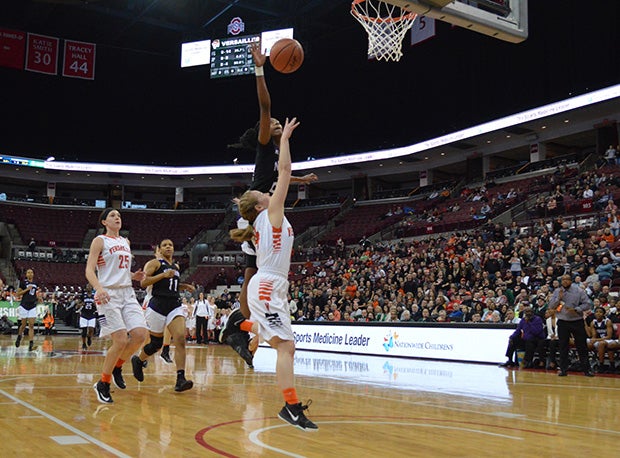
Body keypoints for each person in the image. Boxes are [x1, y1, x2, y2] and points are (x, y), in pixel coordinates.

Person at [222, 42, 317, 363]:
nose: (275, 123)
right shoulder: (266, 146)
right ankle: (238, 325)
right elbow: (265, 106)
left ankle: (243, 329)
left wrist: (303, 180)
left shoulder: (277, 156)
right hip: (253, 215)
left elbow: (283, 177)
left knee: (255, 272)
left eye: (277, 123)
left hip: (263, 216)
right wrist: (260, 68)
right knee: (256, 272)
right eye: (273, 123)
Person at [223, 116, 318, 431]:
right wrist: (286, 139)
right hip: (267, 286)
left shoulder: (261, 221)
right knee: (285, 347)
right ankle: (290, 407)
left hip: (271, 286)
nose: (269, 192)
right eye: (264, 193)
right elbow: (285, 172)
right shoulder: (270, 213)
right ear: (260, 202)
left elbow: (284, 177)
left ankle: (239, 323)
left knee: (284, 345)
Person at [86, 208, 149, 404]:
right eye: (112, 216)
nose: (117, 218)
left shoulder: (125, 242)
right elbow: (89, 270)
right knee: (120, 340)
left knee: (140, 335)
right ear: (104, 222)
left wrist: (133, 276)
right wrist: (98, 288)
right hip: (107, 294)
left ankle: (117, 366)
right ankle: (103, 383)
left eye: (119, 216)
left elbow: (119, 269)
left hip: (127, 292)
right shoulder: (100, 240)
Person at [131, 239, 195, 392]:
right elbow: (144, 283)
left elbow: (170, 285)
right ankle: (138, 360)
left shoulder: (176, 266)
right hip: (157, 305)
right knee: (156, 344)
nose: (168, 247)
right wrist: (163, 275)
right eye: (165, 245)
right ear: (159, 249)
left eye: (171, 245)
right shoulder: (154, 263)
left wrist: (184, 286)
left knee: (180, 338)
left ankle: (180, 379)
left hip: (174, 305)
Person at [548, 274, 594, 377]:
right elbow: (551, 306)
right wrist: (558, 299)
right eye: (563, 279)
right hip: (563, 321)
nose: (564, 281)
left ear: (571, 281)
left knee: (581, 346)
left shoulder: (579, 291)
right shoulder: (557, 291)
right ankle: (563, 369)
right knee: (563, 346)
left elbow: (587, 304)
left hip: (576, 321)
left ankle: (587, 370)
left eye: (567, 279)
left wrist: (577, 309)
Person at [15, 268, 38, 351]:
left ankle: (31, 344)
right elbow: (17, 294)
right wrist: (26, 290)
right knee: (23, 325)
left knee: (31, 325)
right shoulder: (23, 283)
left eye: (31, 272)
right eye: (28, 272)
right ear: (26, 274)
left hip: (32, 306)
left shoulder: (35, 283)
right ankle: (19, 337)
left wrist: (38, 298)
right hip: (24, 306)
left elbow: (34, 293)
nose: (30, 274)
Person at [587, 306, 615, 373]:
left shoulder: (607, 321)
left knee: (601, 344)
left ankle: (601, 365)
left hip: (609, 340)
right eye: (596, 312)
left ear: (604, 314)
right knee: (586, 343)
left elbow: (609, 336)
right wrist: (592, 341)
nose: (598, 313)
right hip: (599, 339)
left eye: (600, 312)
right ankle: (584, 363)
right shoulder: (593, 322)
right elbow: (593, 336)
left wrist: (596, 340)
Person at [78, 285, 97, 350]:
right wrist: (80, 304)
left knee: (91, 329)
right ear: (86, 288)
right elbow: (78, 304)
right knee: (84, 331)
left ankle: (89, 337)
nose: (88, 288)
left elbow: (98, 304)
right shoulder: (83, 295)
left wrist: (96, 304)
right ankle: (84, 344)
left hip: (92, 314)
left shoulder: (95, 295)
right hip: (84, 314)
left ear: (92, 288)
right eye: (87, 287)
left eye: (90, 287)